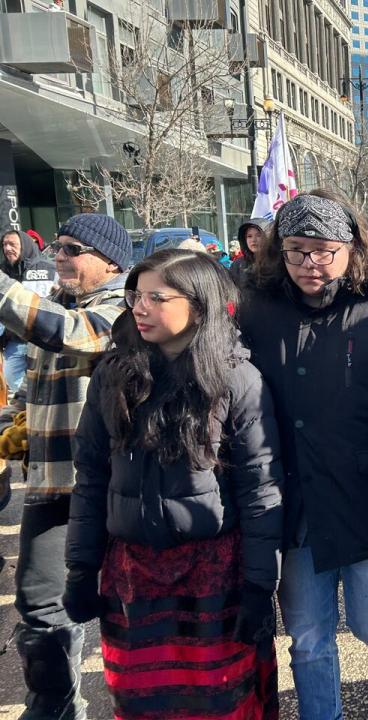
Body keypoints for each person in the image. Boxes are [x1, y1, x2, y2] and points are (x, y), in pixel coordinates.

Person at [237, 190, 368, 720]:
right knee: (308, 636)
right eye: (296, 249)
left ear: (352, 247)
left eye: (324, 249)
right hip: (297, 503)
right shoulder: (256, 309)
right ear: (277, 251)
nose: (310, 263)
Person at [64, 249, 284, 719]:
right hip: (132, 576)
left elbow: (260, 488)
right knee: (143, 700)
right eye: (135, 296)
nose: (138, 308)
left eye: (155, 297)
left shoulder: (236, 379)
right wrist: (81, 568)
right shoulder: (113, 374)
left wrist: (259, 587)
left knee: (219, 699)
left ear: (199, 305)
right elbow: (91, 478)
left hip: (214, 572)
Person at [0, 214, 131, 720]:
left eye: (72, 249)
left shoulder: (123, 307)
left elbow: (69, 334)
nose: (59, 256)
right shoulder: (56, 303)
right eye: (57, 247)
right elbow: (31, 395)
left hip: (110, 487)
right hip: (51, 486)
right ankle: (52, 708)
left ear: (108, 261)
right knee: (39, 612)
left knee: (131, 609)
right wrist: (12, 430)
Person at [0, 230, 56, 398]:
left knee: (43, 385)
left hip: (42, 340)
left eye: (12, 244)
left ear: (24, 245)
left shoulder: (48, 269)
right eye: (4, 244)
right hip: (13, 341)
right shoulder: (2, 272)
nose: (8, 248)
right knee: (16, 384)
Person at [230, 218, 270, 283]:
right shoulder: (237, 265)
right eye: (249, 236)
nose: (253, 240)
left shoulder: (279, 264)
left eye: (258, 235)